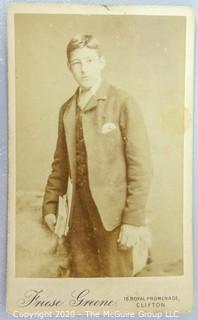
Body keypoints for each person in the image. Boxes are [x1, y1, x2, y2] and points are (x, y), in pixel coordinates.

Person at [42, 34, 153, 277]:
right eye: (77, 63)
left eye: (90, 61)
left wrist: (132, 220)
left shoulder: (122, 102)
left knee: (116, 286)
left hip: (114, 218)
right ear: (68, 67)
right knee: (84, 286)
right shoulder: (67, 110)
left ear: (102, 61)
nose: (84, 69)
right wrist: (50, 206)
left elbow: (141, 166)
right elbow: (59, 165)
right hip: (78, 219)